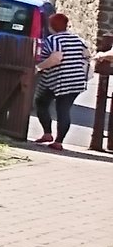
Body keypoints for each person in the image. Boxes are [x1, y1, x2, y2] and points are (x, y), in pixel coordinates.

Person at [36, 11, 90, 148]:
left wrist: (39, 67)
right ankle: (58, 141)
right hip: (76, 80)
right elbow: (87, 54)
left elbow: (56, 58)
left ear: (51, 26)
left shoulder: (54, 40)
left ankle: (48, 134)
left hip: (57, 80)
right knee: (64, 109)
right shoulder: (78, 39)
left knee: (41, 102)